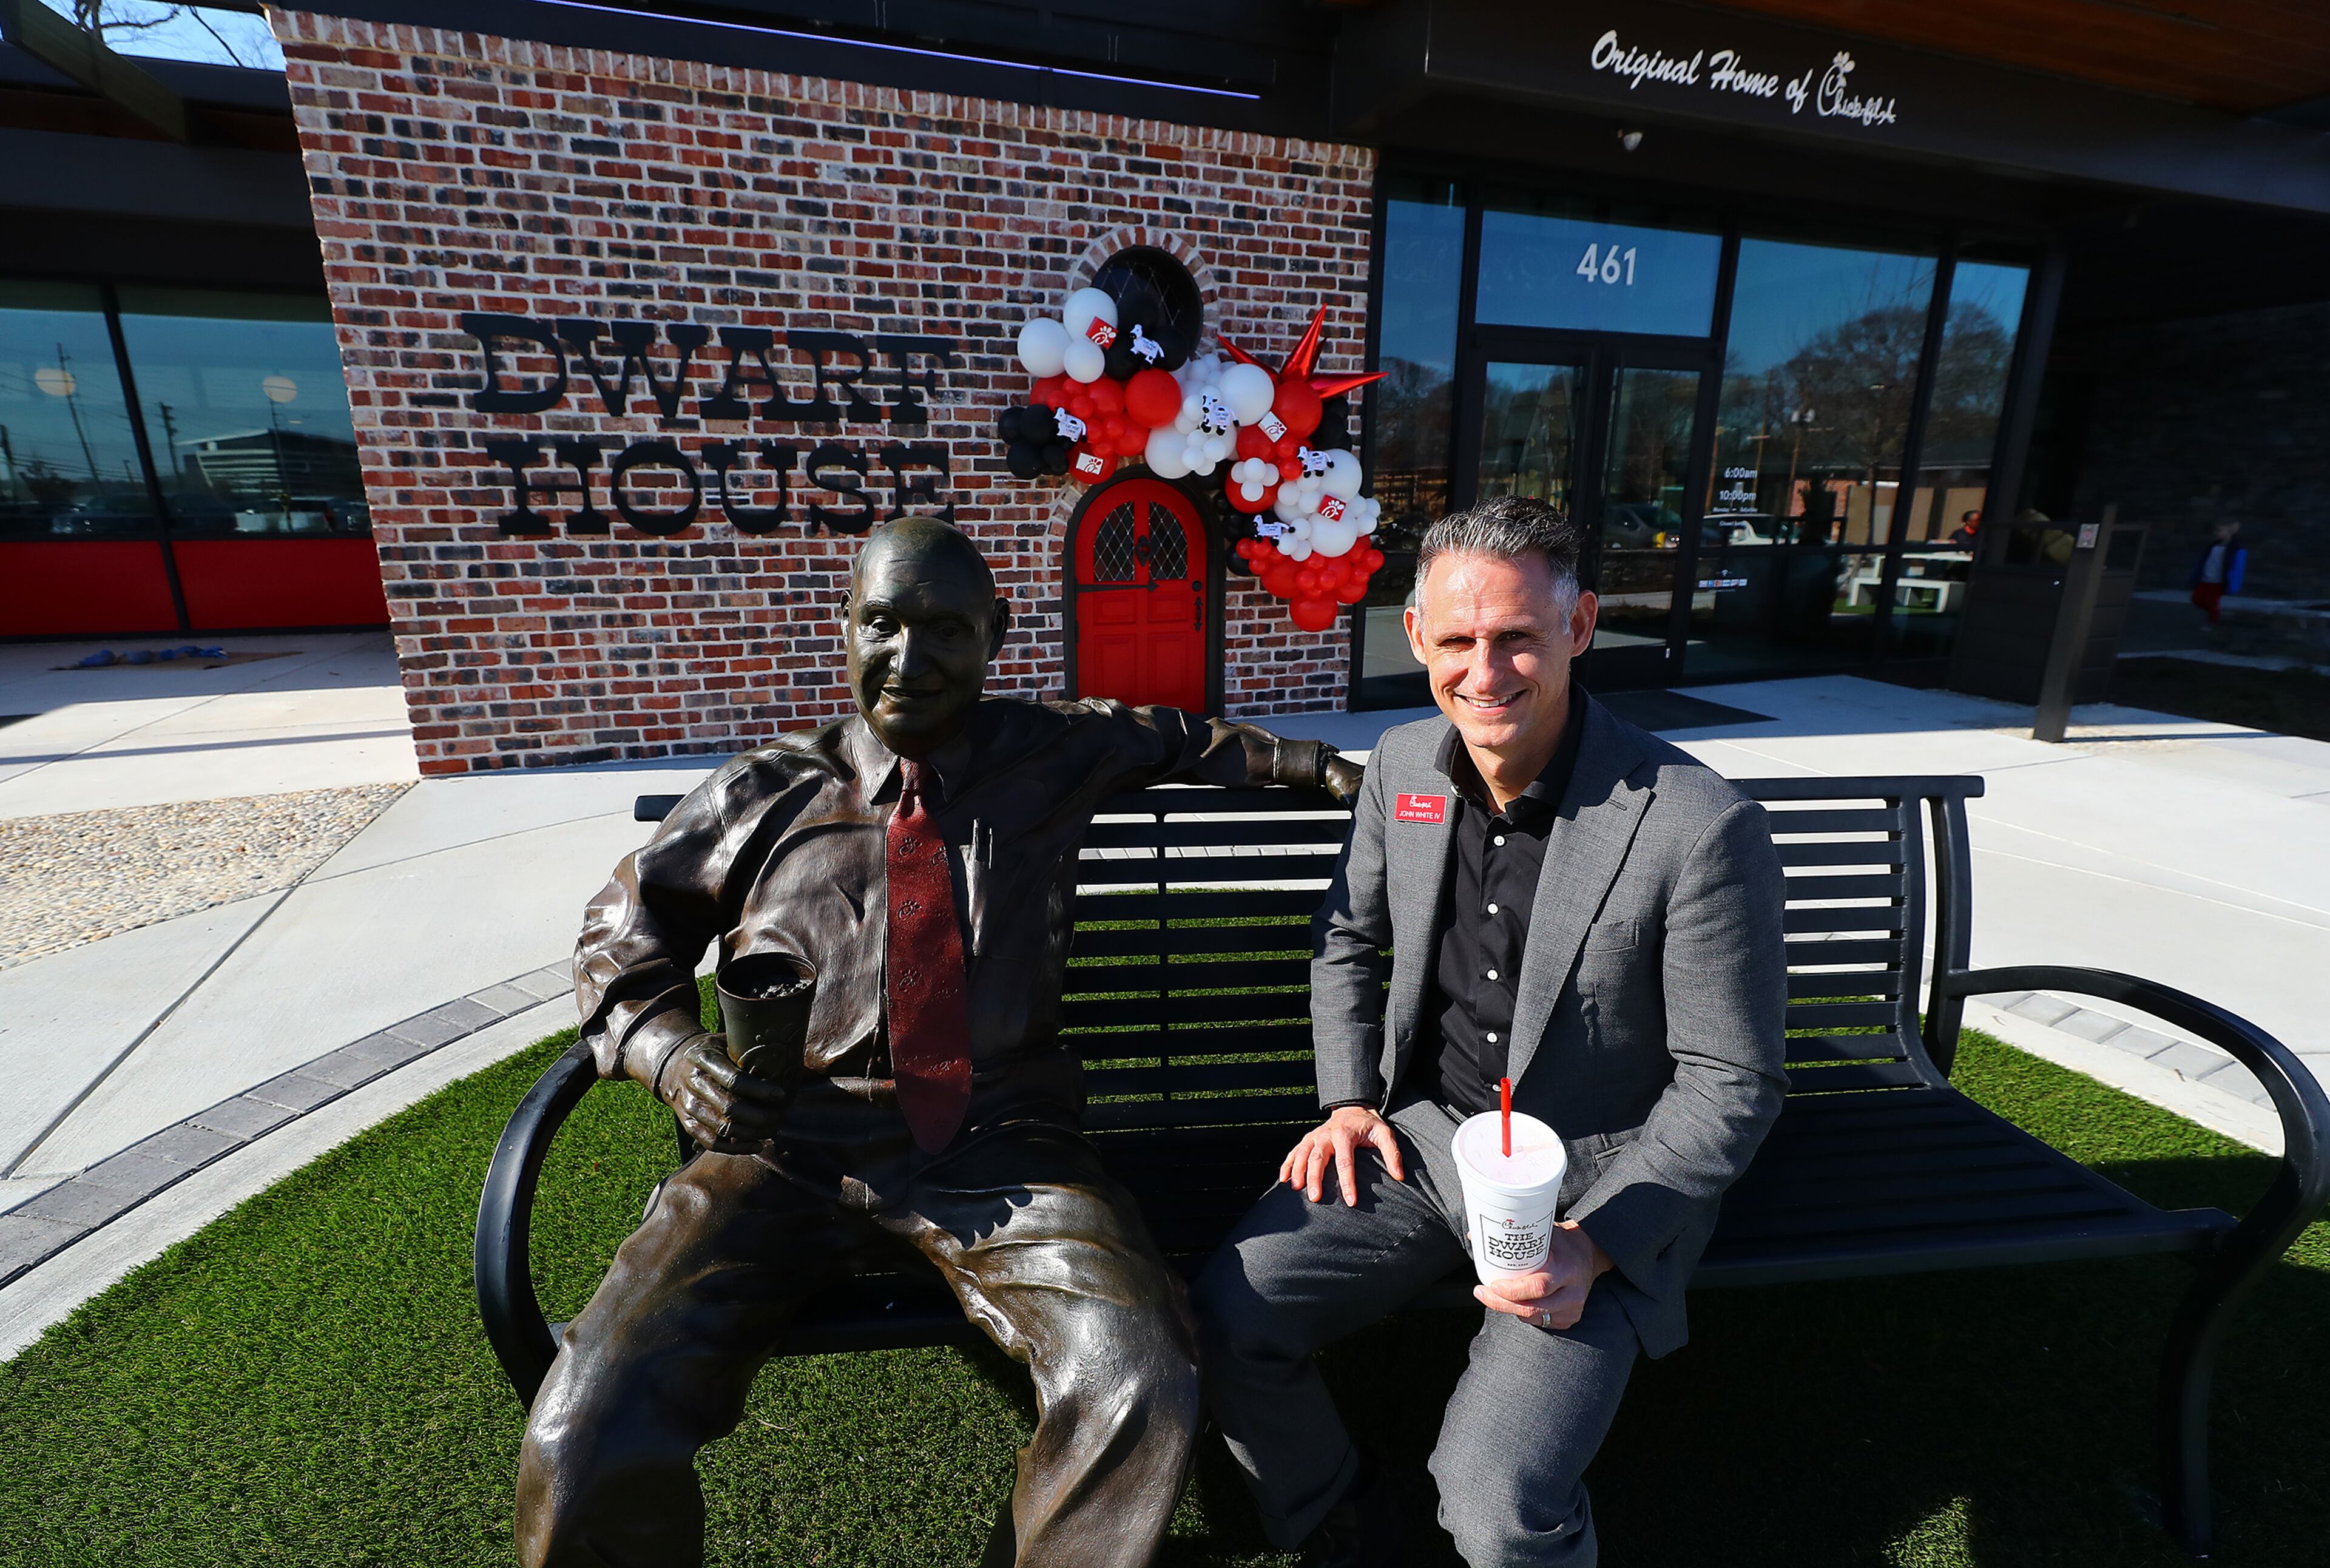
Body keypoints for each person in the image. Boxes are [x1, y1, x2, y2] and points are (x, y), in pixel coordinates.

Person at [516, 516, 1363, 1568]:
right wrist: (673, 1055)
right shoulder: (763, 790)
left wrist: (1329, 768)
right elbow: (620, 937)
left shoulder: (1052, 751)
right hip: (781, 1150)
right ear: (846, 626)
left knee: (1138, 1369)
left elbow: (1185, 737)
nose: (908, 659)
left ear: (997, 632)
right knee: (586, 1412)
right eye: (883, 623)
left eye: (945, 630)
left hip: (1001, 1142)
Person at [1194, 495, 1788, 1568]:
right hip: (1420, 1138)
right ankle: (1345, 1515)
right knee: (1231, 1313)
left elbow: (1729, 1080)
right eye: (1458, 639)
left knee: (1496, 1500)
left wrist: (1598, 1241)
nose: (1487, 669)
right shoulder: (1404, 765)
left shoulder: (1699, 823)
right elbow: (1348, 942)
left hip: (1594, 1181)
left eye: (1518, 635)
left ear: (1581, 624)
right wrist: (1348, 1099)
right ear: (1415, 636)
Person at [2189, 519, 2247, 626]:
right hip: (2206, 579)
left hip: (2217, 582)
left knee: (2212, 603)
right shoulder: (2213, 546)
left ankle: (2213, 622)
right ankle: (2216, 612)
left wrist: (2230, 581)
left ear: (2230, 532)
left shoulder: (2234, 548)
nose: (2216, 532)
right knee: (2196, 599)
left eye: (2220, 530)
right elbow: (2205, 561)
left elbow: (2235, 566)